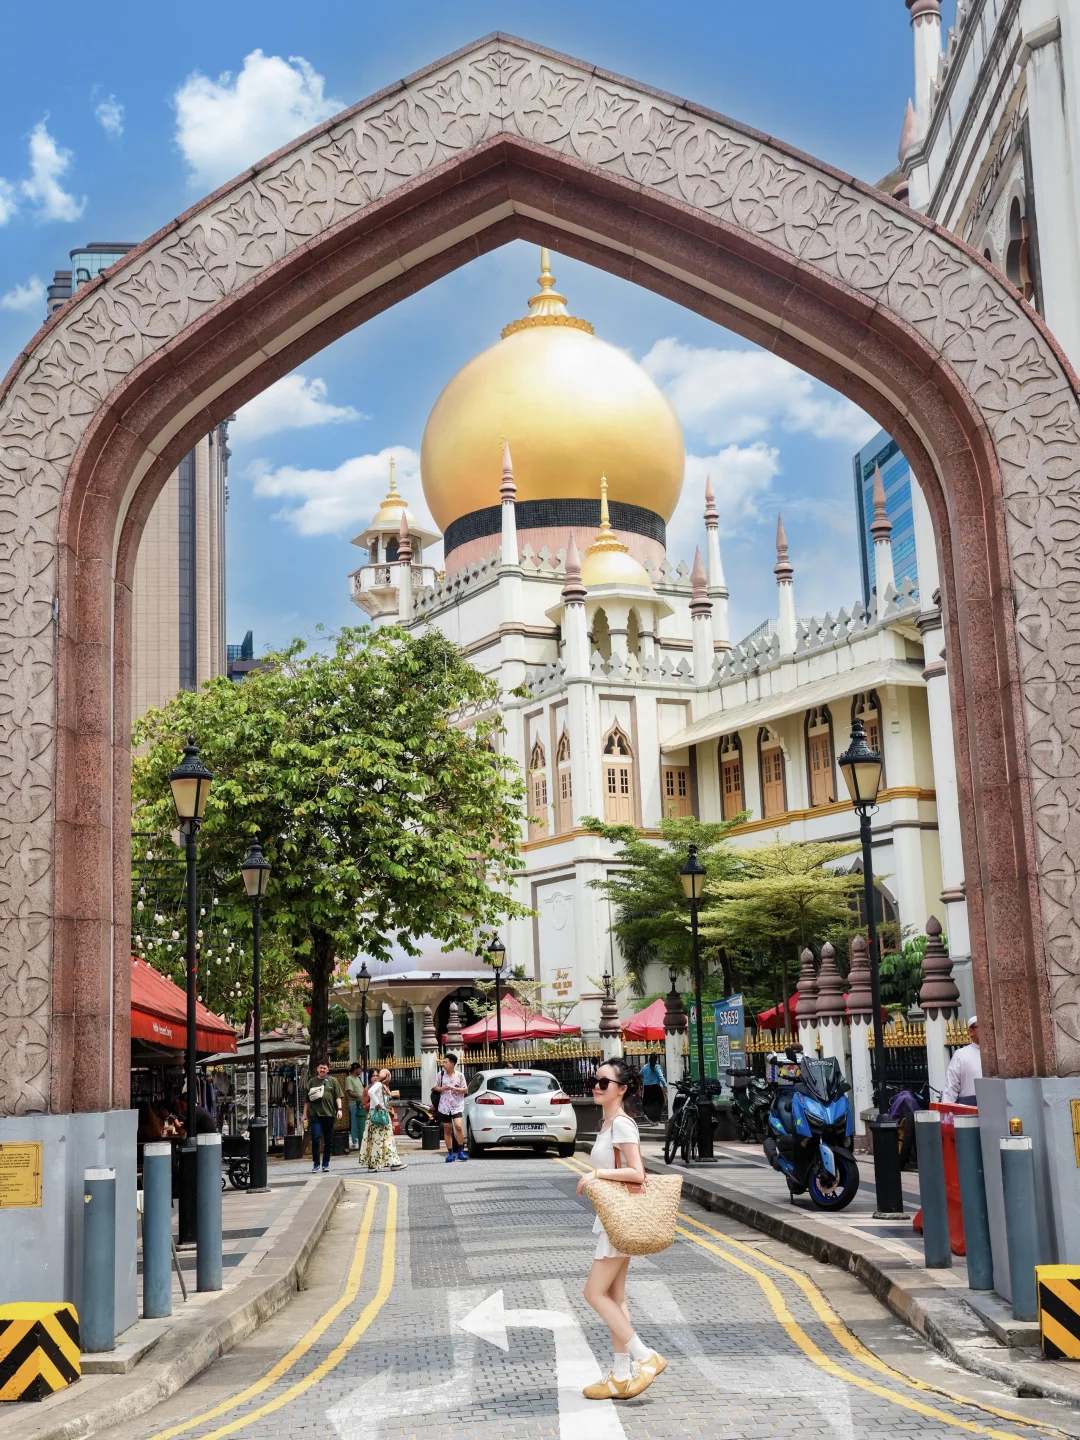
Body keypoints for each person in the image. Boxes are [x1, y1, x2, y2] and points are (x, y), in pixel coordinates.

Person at [575, 1060, 666, 1400]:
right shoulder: (607, 1123)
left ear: (622, 1089)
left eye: (604, 1081)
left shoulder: (623, 1125)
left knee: (593, 1293)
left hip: (620, 1219)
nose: (596, 1086)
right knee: (614, 1296)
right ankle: (619, 1374)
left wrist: (596, 1175)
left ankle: (646, 1357)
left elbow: (638, 1173)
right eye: (593, 1080)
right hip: (611, 1218)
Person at [358, 1068, 406, 1172]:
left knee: (380, 1140)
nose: (376, 1077)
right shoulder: (379, 1085)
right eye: (374, 1076)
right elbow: (371, 1092)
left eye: (377, 1075)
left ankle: (383, 1163)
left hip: (378, 1115)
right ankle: (391, 1163)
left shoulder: (382, 1086)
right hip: (379, 1115)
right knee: (383, 1139)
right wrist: (378, 1105)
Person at [303, 1062, 343, 1173]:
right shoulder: (312, 1081)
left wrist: (339, 1109)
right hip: (315, 1114)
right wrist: (304, 1114)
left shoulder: (333, 1081)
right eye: (320, 1068)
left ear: (328, 1070)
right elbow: (307, 1100)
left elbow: (338, 1097)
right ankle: (316, 1164)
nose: (322, 1070)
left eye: (324, 1068)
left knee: (328, 1141)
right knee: (315, 1138)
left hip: (329, 1114)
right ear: (317, 1069)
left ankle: (326, 1164)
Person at [435, 1052, 469, 1163]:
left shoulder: (460, 1075)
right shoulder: (440, 1075)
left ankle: (460, 1151)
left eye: (446, 1062)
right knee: (447, 1128)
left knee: (458, 1126)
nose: (443, 1064)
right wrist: (442, 1088)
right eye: (443, 1062)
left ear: (452, 1064)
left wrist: (455, 1089)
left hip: (457, 1105)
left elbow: (465, 1090)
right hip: (444, 1106)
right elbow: (435, 1087)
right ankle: (450, 1154)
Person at [942, 1016, 981, 1105]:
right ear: (971, 1032)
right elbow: (951, 1086)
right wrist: (947, 1111)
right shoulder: (961, 1055)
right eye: (982, 1026)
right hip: (969, 1107)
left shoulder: (997, 1054)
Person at [638, 1053, 667, 1123]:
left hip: (647, 1087)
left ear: (649, 1059)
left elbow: (640, 1074)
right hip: (656, 1087)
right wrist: (665, 1085)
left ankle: (649, 1116)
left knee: (648, 1103)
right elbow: (661, 1077)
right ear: (656, 1059)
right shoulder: (657, 1067)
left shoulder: (645, 1067)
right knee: (659, 1103)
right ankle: (655, 1119)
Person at [345, 1063, 367, 1151]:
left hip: (361, 1103)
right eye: (359, 1069)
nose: (360, 1071)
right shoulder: (349, 1078)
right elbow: (349, 1092)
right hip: (354, 1104)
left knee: (362, 1122)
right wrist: (359, 1096)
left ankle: (362, 1139)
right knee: (355, 1123)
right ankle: (355, 1141)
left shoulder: (358, 1078)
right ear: (355, 1069)